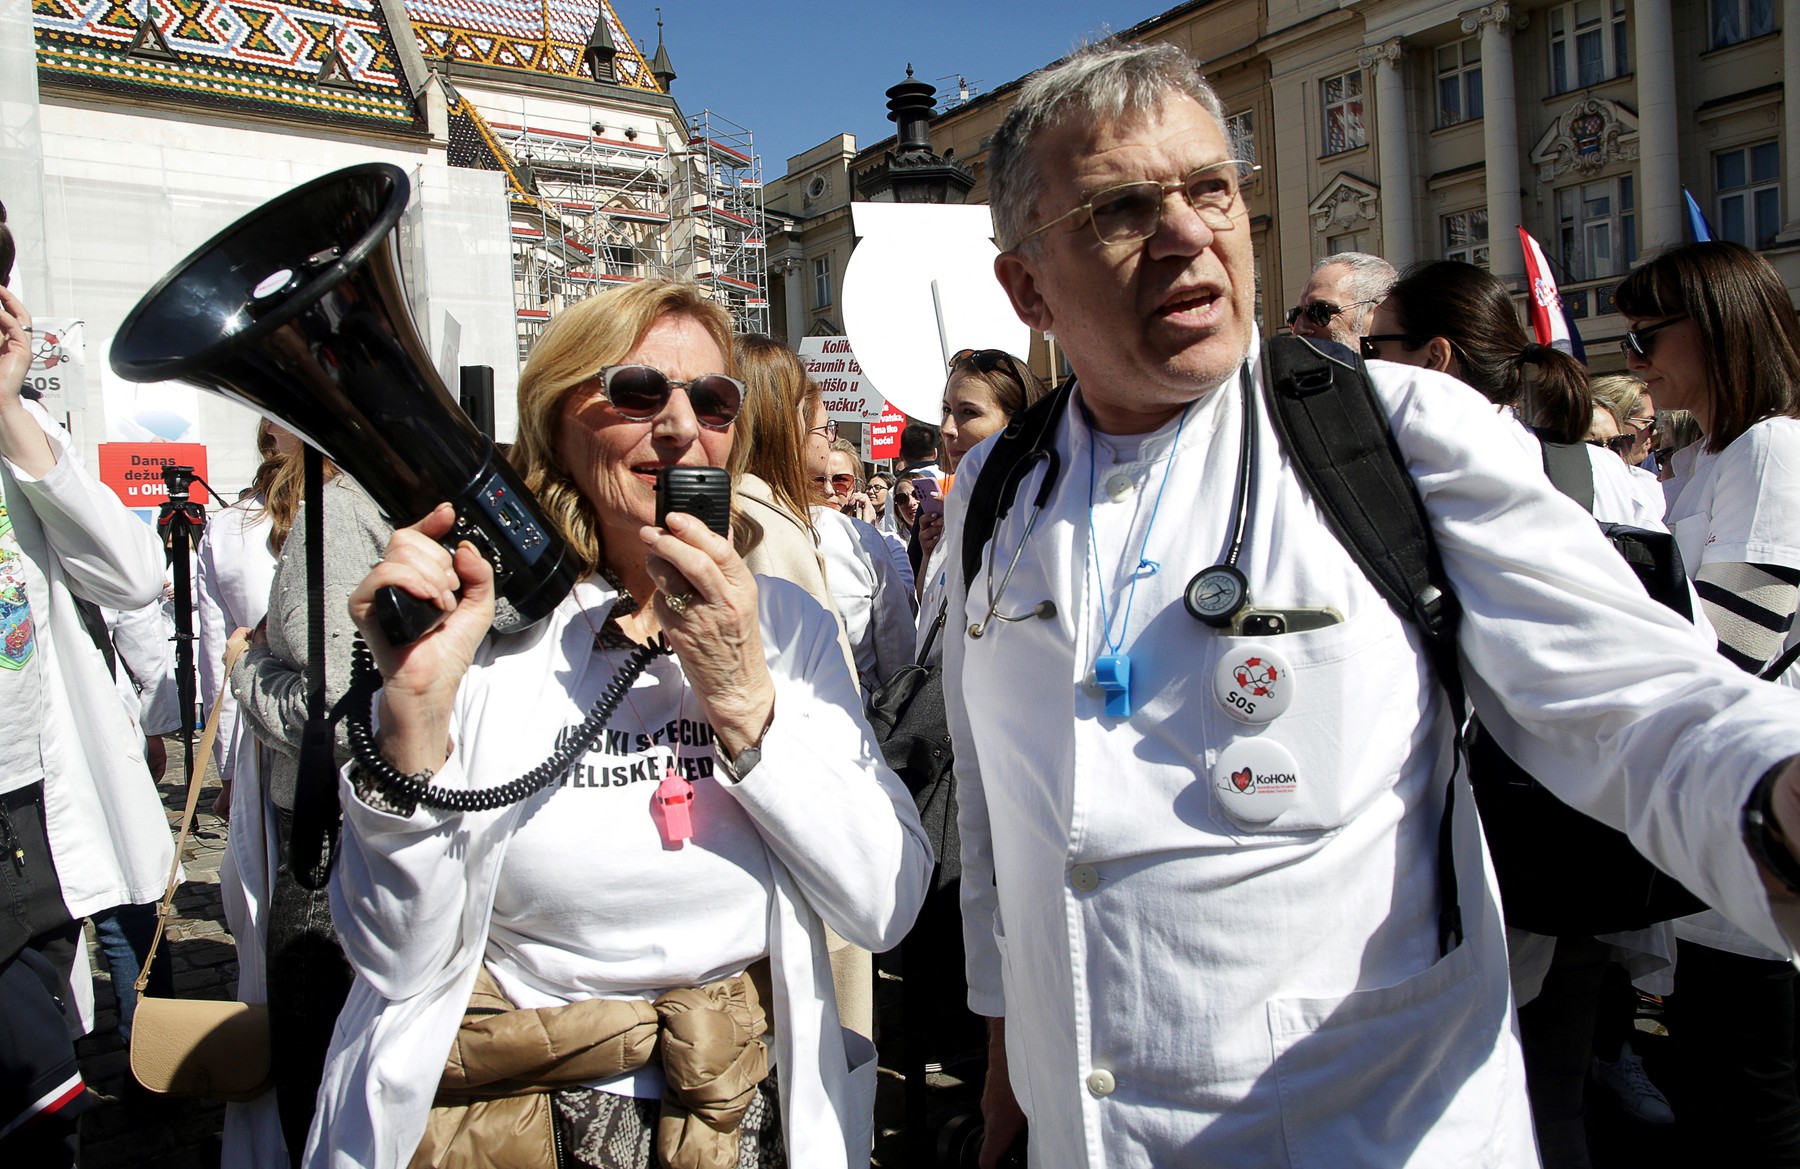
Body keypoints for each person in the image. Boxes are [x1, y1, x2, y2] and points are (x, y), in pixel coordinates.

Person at [949, 40, 1800, 1169]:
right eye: (1121, 207)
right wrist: (1010, 1033)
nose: (1190, 234)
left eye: (1211, 188)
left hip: (1373, 1127)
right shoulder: (992, 487)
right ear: (1027, 287)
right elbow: (997, 802)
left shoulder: (1395, 431)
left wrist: (1774, 791)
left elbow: (1640, 694)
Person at [308, 281, 930, 1169]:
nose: (681, 426)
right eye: (638, 391)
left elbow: (886, 902)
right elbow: (399, 961)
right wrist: (409, 723)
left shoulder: (786, 622)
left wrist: (746, 698)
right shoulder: (485, 632)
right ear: (557, 418)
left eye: (714, 400)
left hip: (744, 1113)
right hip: (514, 1124)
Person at [1617, 240, 1800, 1164]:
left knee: (1753, 1101)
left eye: (1650, 332)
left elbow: (1742, 642)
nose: (1635, 354)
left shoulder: (1770, 448)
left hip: (1756, 824)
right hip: (1713, 842)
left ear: (1721, 326)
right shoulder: (1708, 458)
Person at [0, 275, 167, 1161]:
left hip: (27, 821)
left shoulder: (23, 436)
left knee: (39, 1101)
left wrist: (13, 411)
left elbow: (133, 578)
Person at [231, 449, 391, 1164]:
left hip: (329, 838)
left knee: (319, 1080)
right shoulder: (382, 505)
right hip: (374, 828)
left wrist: (244, 668)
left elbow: (328, 711)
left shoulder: (340, 513)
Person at [1367, 260, 1665, 531]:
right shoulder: (1604, 469)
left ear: (1434, 358)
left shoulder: (1414, 480)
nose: (1363, 364)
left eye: (1373, 348)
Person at [1285, 251, 1396, 347]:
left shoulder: (1406, 371)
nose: (1298, 330)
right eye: (1294, 316)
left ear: (1376, 317)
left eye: (1319, 312)